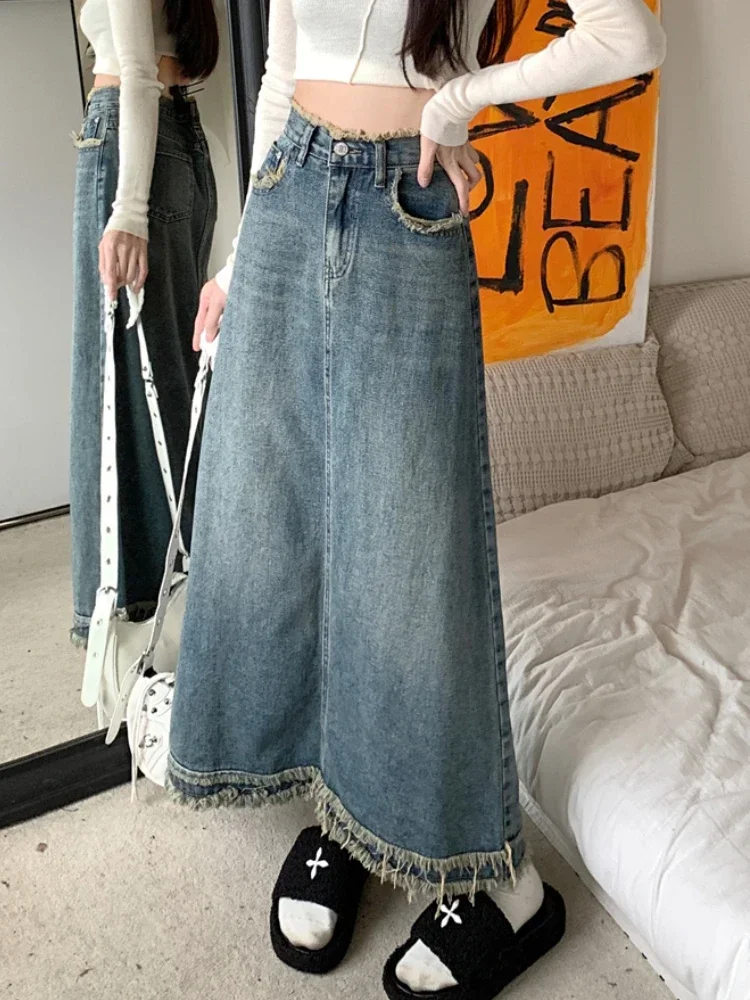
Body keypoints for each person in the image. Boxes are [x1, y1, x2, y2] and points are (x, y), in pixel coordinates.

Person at [161, 1, 666, 996]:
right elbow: (281, 77)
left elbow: (629, 34)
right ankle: (346, 814)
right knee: (285, 526)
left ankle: (504, 882)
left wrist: (458, 102)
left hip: (407, 201)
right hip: (289, 193)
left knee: (411, 553)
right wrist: (237, 256)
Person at [69, 0, 219, 646]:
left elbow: (135, 70)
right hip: (174, 139)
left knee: (115, 385)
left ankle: (147, 616)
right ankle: (196, 602)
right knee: (177, 382)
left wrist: (128, 210)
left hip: (134, 147)